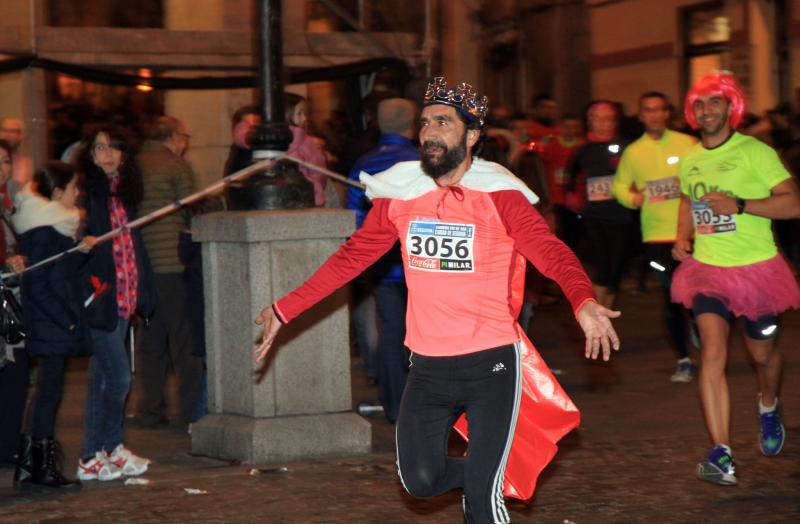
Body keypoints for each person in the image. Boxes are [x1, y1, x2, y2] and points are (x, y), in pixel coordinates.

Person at [253, 77, 620, 523]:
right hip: (427, 365)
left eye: (442, 122)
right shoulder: (401, 194)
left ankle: (487, 484)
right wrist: (284, 308)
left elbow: (550, 251)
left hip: (491, 363)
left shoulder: (500, 194)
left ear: (471, 136)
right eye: (425, 123)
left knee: (485, 506)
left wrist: (582, 300)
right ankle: (485, 475)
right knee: (420, 480)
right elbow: (352, 257)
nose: (428, 132)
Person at [671, 73, 800, 486]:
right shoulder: (690, 158)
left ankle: (768, 403)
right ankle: (722, 452)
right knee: (711, 351)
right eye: (698, 104)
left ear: (731, 108)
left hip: (758, 271)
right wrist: (682, 236)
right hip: (708, 271)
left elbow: (793, 204)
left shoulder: (755, 152)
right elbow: (688, 199)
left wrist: (739, 204)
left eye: (714, 102)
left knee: (763, 357)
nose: (705, 110)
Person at [77, 126, 154, 481]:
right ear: (89, 155)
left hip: (126, 296)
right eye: (99, 148)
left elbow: (135, 247)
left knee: (103, 379)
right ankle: (111, 445)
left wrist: (143, 295)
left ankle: (92, 456)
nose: (107, 154)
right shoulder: (86, 195)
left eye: (113, 147)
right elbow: (70, 237)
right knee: (120, 377)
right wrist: (82, 240)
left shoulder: (125, 194)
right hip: (101, 299)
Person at [11, 162, 90, 489]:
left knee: (47, 390)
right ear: (58, 193)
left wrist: (79, 251)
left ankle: (32, 463)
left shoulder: (51, 228)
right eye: (73, 188)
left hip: (51, 322)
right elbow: (39, 283)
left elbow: (58, 270)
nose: (78, 194)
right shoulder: (45, 230)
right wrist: (68, 320)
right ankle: (41, 467)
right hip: (50, 323)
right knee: (49, 392)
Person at [613, 92, 698, 382]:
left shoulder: (687, 144)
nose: (654, 115)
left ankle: (700, 325)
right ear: (641, 116)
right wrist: (632, 198)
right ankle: (684, 359)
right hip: (656, 237)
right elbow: (620, 186)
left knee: (701, 295)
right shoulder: (634, 152)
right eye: (648, 110)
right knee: (671, 297)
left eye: (660, 110)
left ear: (668, 113)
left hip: (695, 232)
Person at [346, 98, 419, 423]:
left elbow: (354, 216)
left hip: (382, 265)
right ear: (412, 125)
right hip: (419, 263)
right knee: (425, 333)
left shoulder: (363, 163)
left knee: (391, 333)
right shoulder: (421, 161)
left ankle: (395, 404)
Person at [134, 116, 203, 430]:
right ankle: (189, 411)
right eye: (185, 136)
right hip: (173, 266)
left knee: (150, 339)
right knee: (183, 339)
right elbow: (194, 208)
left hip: (143, 269)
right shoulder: (176, 166)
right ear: (174, 137)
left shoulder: (134, 165)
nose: (185, 143)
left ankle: (150, 408)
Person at [568, 101, 633, 308]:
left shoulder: (628, 148)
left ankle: (606, 316)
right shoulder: (581, 151)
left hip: (622, 217)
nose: (603, 123)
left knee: (615, 272)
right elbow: (570, 180)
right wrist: (573, 199)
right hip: (593, 217)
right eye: (598, 118)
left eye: (608, 118)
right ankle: (599, 318)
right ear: (589, 121)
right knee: (601, 267)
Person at [0, 140, 28, 469]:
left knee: (15, 376)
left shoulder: (10, 205)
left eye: (6, 161)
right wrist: (9, 264)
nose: (2, 169)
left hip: (10, 306)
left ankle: (7, 445)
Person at [285, 93, 330, 207]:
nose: (304, 118)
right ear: (287, 114)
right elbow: (315, 172)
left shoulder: (305, 140)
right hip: (309, 198)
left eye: (304, 113)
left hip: (310, 195)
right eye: (299, 113)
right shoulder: (301, 142)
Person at [0, 117, 33, 191]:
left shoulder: (25, 162)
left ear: (21, 135)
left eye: (12, 131)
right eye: (4, 130)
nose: (7, 135)